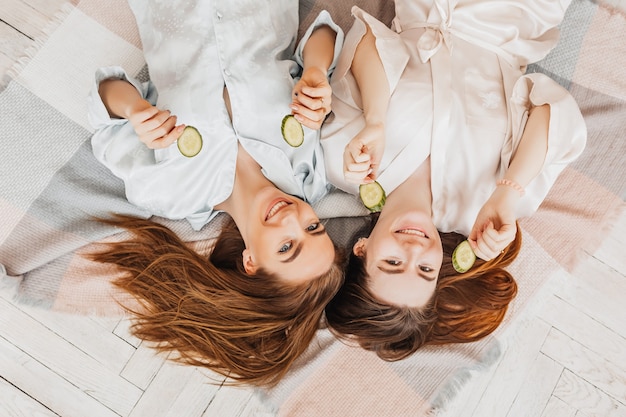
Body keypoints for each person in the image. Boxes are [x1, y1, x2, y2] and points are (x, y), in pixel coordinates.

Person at [86, 0, 345, 386]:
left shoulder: (168, 190)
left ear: (250, 262)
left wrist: (135, 109)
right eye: (313, 229)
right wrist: (315, 71)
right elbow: (323, 34)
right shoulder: (308, 167)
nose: (294, 218)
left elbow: (106, 92)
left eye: (286, 248)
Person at [320, 0, 587, 360]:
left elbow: (367, 35)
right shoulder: (489, 208)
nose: (414, 251)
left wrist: (376, 119)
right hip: (519, 15)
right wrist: (507, 192)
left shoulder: (347, 161)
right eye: (425, 269)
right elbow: (555, 111)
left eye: (393, 263)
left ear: (362, 249)